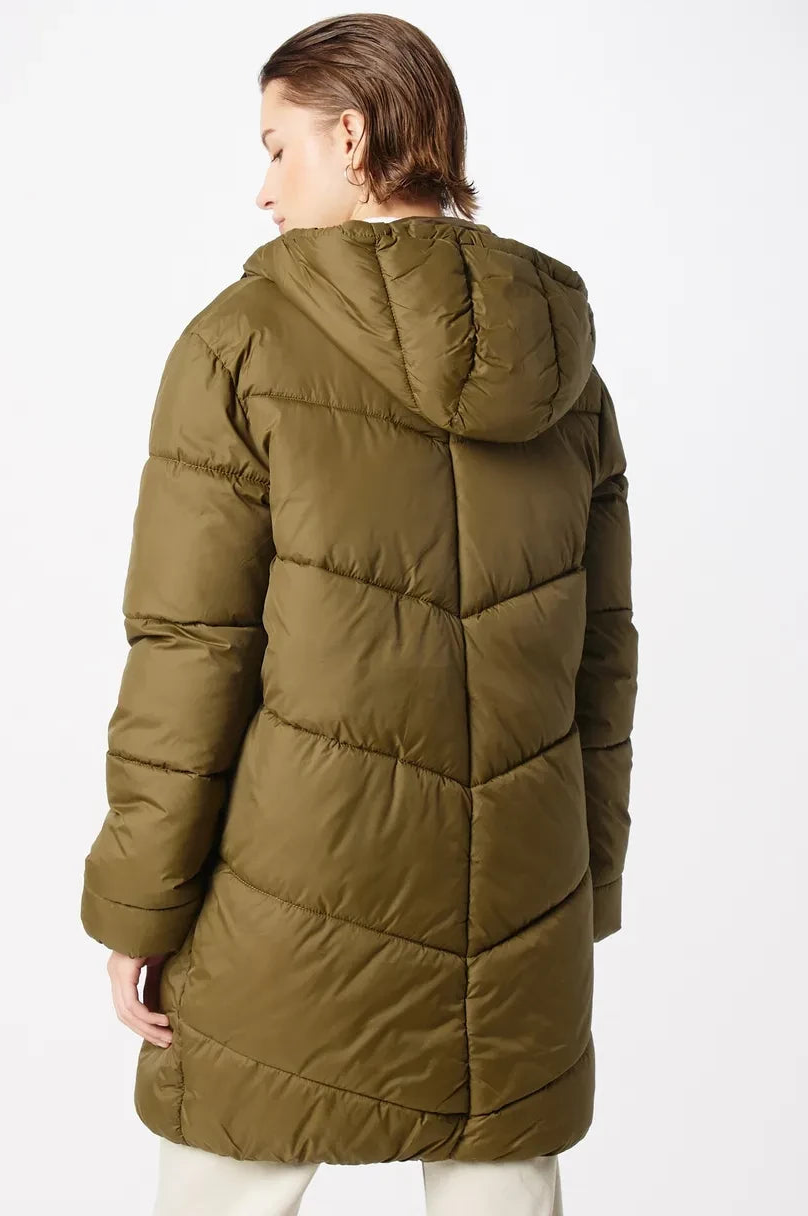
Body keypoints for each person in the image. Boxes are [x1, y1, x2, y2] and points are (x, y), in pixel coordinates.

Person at [80, 12, 639, 1216]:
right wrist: (583, 885)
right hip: (518, 899)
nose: (263, 189)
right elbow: (603, 661)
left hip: (292, 889)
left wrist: (139, 903)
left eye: (277, 147)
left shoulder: (240, 343)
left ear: (352, 137)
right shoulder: (567, 371)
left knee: (229, 1177)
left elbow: (191, 652)